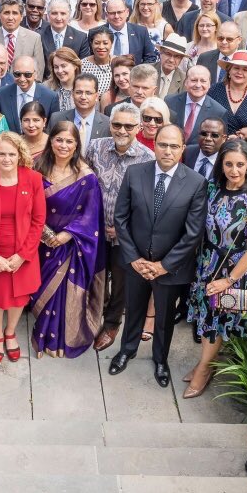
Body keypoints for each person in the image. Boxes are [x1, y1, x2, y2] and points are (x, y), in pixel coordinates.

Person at [109, 124, 207, 387]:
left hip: (170, 268)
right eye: (163, 144)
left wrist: (164, 266)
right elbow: (121, 218)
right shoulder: (134, 173)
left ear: (183, 149)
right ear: (154, 145)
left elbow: (193, 233)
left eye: (174, 146)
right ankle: (126, 350)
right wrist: (134, 258)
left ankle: (161, 360)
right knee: (133, 310)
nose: (167, 151)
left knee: (164, 318)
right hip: (136, 263)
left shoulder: (196, 183)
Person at [183, 138, 247, 398]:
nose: (234, 170)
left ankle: (205, 369)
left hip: (233, 271)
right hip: (206, 263)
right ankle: (204, 362)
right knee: (204, 316)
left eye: (240, 164)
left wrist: (228, 280)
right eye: (229, 164)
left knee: (215, 321)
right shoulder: (212, 189)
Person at [0, 132, 47, 365]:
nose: (6, 159)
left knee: (18, 298)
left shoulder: (33, 179)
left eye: (11, 154)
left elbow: (38, 220)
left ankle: (11, 332)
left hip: (23, 252)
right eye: (2, 153)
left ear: (20, 154)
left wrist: (23, 255)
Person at [31, 121, 105, 358]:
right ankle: (41, 335)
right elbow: (25, 204)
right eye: (59, 139)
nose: (63, 145)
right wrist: (44, 232)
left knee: (64, 293)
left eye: (69, 141)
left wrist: (66, 235)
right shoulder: (35, 168)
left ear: (76, 145)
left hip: (71, 244)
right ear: (50, 140)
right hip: (40, 241)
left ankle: (60, 339)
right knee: (42, 288)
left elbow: (92, 215)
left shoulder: (86, 176)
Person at [86, 102, 155, 350]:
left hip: (125, 235)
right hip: (94, 229)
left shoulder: (148, 158)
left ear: (138, 127)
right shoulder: (95, 148)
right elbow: (84, 186)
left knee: (121, 280)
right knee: (95, 276)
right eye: (117, 124)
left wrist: (123, 227)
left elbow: (148, 204)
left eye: (128, 126)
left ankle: (112, 323)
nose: (122, 130)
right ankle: (91, 317)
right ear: (110, 124)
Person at [208, 51, 247, 138]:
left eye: (245, 70)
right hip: (216, 144)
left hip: (246, 147)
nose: (239, 72)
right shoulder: (214, 89)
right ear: (229, 70)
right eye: (236, 68)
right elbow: (204, 118)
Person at [0, 54, 59, 134]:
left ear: (36, 74)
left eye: (27, 75)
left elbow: (54, 130)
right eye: (17, 74)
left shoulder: (50, 97)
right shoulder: (0, 95)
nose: (22, 79)